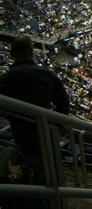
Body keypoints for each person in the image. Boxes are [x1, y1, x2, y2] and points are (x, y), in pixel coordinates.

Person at [0, 36, 69, 184]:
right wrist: (57, 127)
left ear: (12, 55)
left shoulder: (6, 78)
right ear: (32, 52)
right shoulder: (47, 74)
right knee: (48, 172)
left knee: (32, 170)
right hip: (46, 131)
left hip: (21, 133)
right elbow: (64, 105)